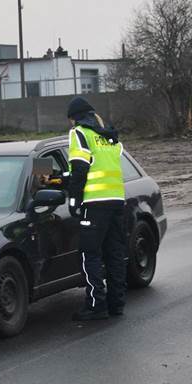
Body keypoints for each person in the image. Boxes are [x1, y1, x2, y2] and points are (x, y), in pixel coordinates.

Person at [48, 96, 128, 321]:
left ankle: (95, 306)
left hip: (94, 204)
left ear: (74, 118)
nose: (70, 124)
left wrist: (74, 201)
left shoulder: (79, 134)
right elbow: (96, 167)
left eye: (70, 120)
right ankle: (116, 304)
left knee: (89, 255)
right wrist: (57, 178)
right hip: (116, 201)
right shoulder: (108, 137)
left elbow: (81, 170)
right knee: (114, 254)